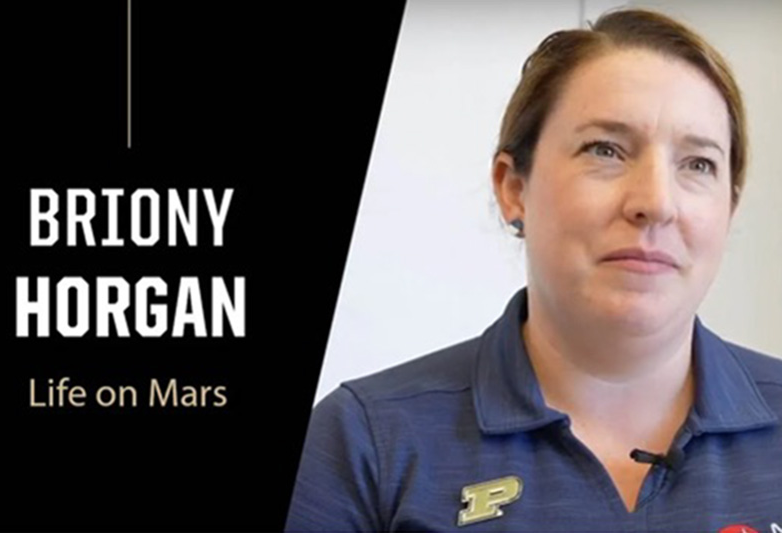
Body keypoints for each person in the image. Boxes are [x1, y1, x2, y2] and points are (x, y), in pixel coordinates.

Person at [285, 8, 782, 532]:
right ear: (513, 188)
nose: (656, 202)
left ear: (729, 206)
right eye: (606, 150)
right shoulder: (366, 443)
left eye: (698, 164)